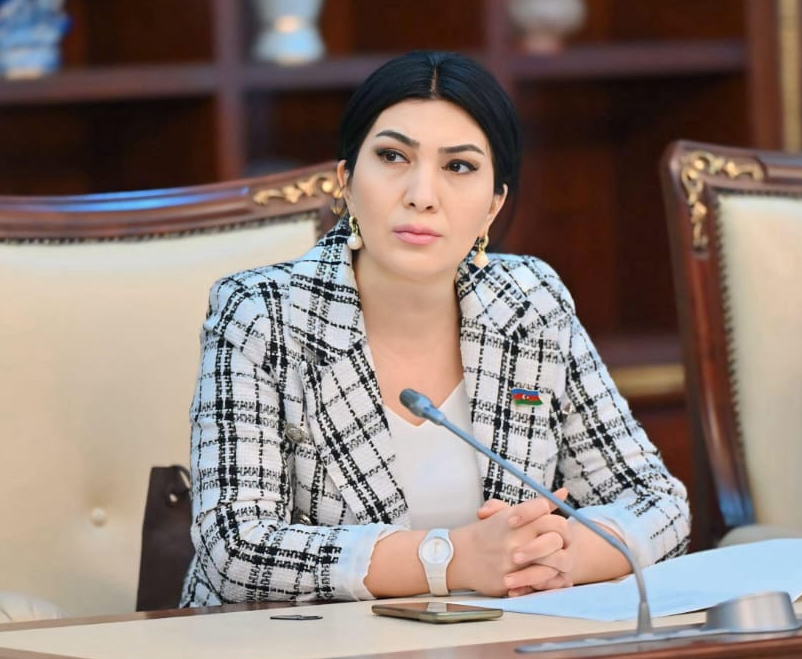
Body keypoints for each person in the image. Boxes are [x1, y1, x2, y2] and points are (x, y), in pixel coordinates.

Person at [181, 50, 690, 606]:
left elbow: (657, 502)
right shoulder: (263, 314)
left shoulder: (530, 303)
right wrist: (451, 559)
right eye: (393, 156)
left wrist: (561, 556)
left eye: (459, 166)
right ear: (346, 181)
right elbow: (234, 550)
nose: (421, 196)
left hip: (502, 637)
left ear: (494, 205)